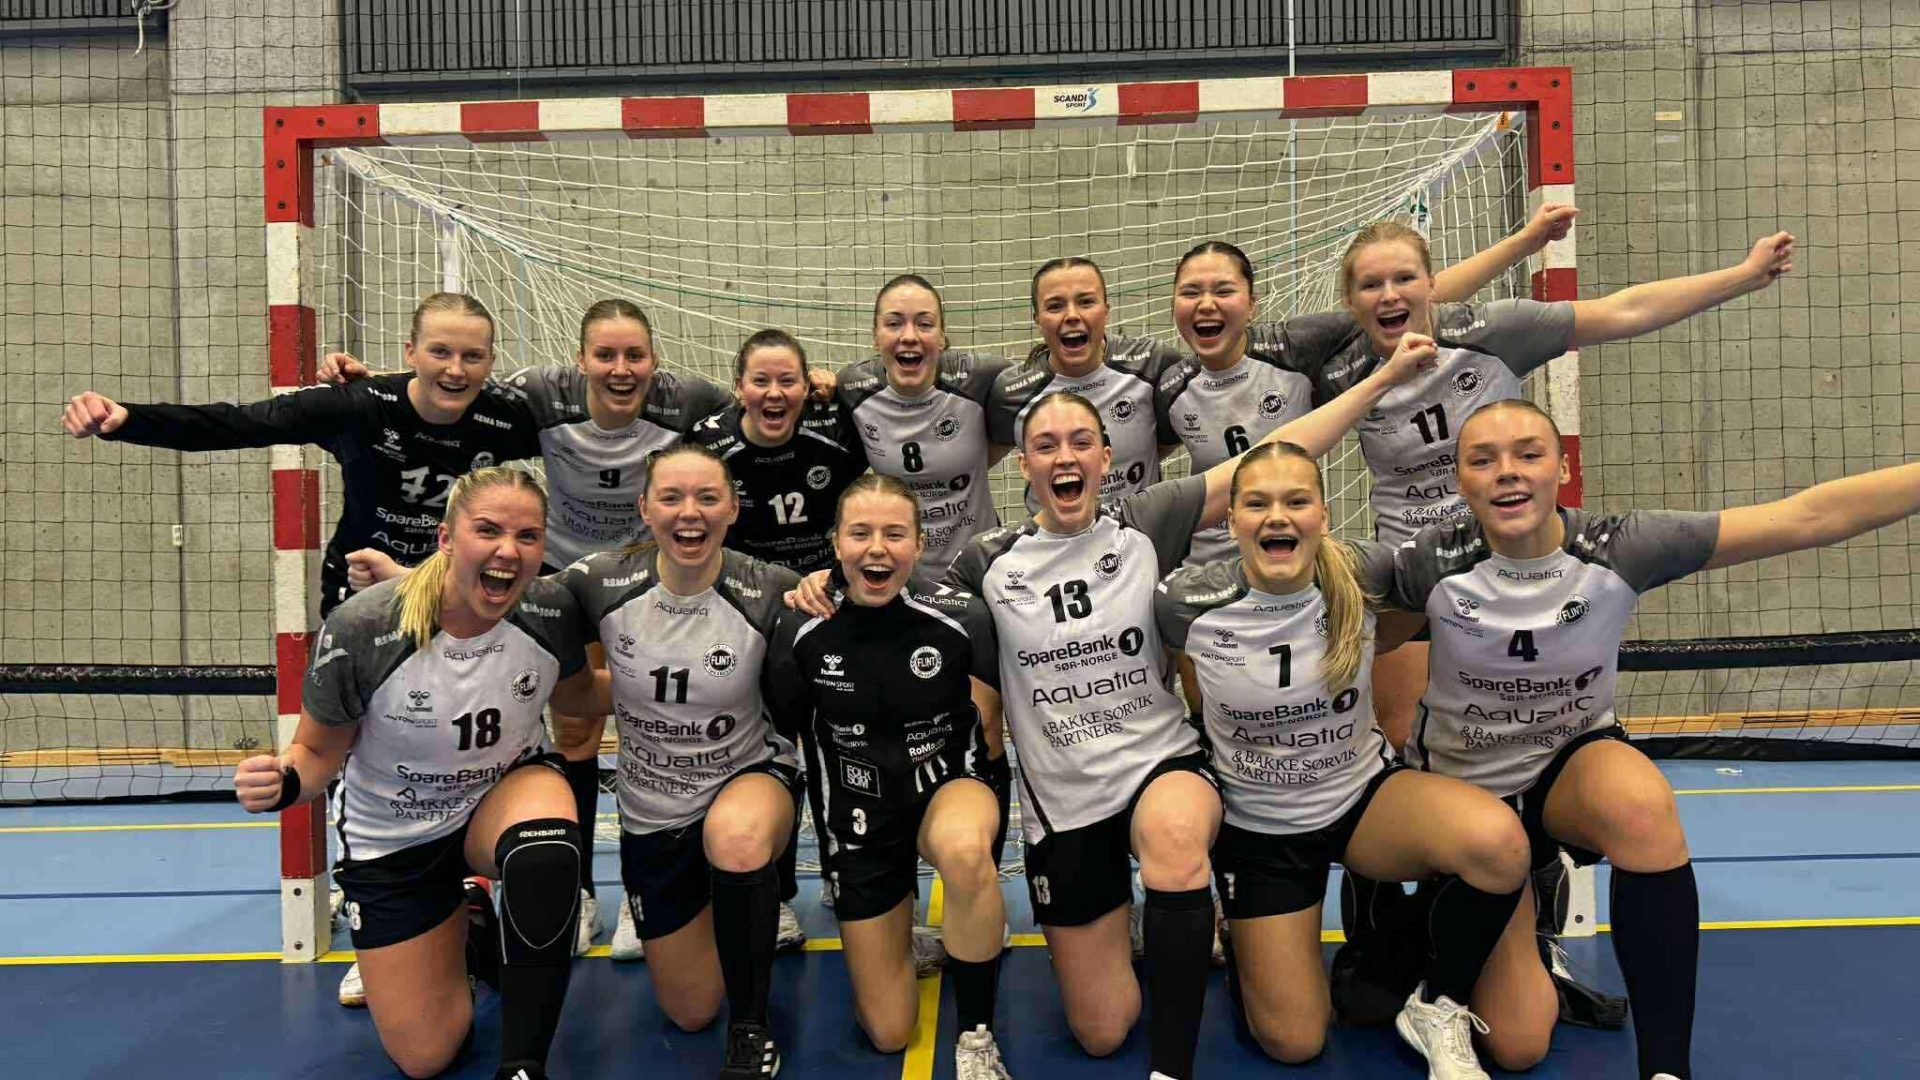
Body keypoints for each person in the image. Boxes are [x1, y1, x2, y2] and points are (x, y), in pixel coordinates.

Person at [791, 336, 1428, 1080]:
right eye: (1045, 445)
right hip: (1065, 802)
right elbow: (899, 594)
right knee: (1101, 1030)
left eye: (1079, 442)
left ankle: (1172, 1062)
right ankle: (1160, 921)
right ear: (1022, 464)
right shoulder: (986, 563)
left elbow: (1269, 459)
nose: (1063, 457)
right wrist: (825, 582)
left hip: (1161, 766)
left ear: (1103, 457)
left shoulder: (1147, 521)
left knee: (1175, 840)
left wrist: (1382, 377)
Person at [1326, 223, 1796, 1031]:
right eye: (1371, 285)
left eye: (1406, 278)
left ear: (1437, 282)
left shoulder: (1496, 331)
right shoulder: (1337, 367)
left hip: (1521, 562)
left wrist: (1740, 276)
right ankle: (1405, 951)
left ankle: (1528, 945)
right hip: (1422, 576)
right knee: (1408, 760)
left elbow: (1624, 311)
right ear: (1351, 301)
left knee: (1543, 744)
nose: (1390, 295)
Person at [1371, 397, 1920, 1080]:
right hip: (1470, 803)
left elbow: (1808, 516)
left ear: (1562, 467)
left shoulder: (1619, 547)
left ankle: (1666, 1070)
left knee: (1642, 806)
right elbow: (1337, 619)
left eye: (1528, 454)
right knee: (1518, 1044)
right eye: (1483, 460)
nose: (1507, 471)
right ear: (1460, 480)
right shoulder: (1427, 564)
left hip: (1567, 772)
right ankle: (1462, 948)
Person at [1155, 442, 1532, 1078]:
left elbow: (1463, 547)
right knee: (1295, 1041)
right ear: (1232, 520)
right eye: (1258, 504)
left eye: (1297, 501)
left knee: (1500, 844)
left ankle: (1432, 997)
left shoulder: (1363, 573)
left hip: (1361, 800)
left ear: (1323, 516)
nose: (1278, 516)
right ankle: (1253, 938)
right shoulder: (1184, 602)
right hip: (1260, 831)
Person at [232, 467, 603, 1080]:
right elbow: (317, 753)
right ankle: (471, 924)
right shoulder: (366, 626)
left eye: (528, 536)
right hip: (396, 833)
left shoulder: (550, 609)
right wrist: (284, 781)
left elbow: (579, 697)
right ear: (447, 538)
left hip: (500, 796)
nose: (509, 551)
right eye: (488, 530)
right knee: (426, 1057)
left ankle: (523, 1066)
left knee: (546, 853)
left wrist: (692, 685)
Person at [549, 443, 803, 1080]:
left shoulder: (771, 588)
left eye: (707, 498)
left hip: (748, 777)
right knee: (689, 1012)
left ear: (733, 508)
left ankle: (751, 1029)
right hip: (653, 809)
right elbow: (505, 597)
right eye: (671, 498)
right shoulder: (598, 582)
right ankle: (723, 910)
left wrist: (832, 584)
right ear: (644, 508)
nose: (690, 513)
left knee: (737, 840)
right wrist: (403, 578)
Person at [62, 292, 544, 616]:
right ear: (410, 352)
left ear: (490, 362)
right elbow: (239, 423)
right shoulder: (357, 406)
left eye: (472, 356)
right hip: (363, 583)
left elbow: (579, 442)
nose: (456, 370)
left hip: (457, 586)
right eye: (440, 352)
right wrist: (128, 419)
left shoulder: (505, 419)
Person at [1154, 202, 1578, 567]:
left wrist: (1525, 242)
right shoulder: (1170, 384)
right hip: (1209, 562)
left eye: (1224, 290)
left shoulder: (1297, 348)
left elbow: (1410, 302)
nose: (1206, 304)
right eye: (1190, 293)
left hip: (1296, 556)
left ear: (1251, 303)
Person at [767, 474, 1011, 1079]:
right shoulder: (799, 628)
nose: (877, 548)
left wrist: (981, 872)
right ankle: (907, 933)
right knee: (888, 1032)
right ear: (835, 543)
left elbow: (990, 733)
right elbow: (789, 740)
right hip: (858, 819)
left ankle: (977, 1034)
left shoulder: (960, 618)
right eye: (860, 533)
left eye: (895, 534)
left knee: (966, 854)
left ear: (919, 544)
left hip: (944, 790)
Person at [986, 257, 1183, 509]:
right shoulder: (1011, 393)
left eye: (1086, 302)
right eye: (1055, 306)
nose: (1072, 315)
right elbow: (976, 463)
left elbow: (1169, 439)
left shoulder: (1152, 364)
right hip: (1055, 534)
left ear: (1106, 310)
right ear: (1037, 318)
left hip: (1140, 531)